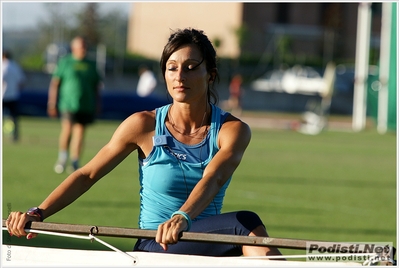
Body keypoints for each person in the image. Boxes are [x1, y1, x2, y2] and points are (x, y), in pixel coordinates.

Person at [6, 28, 283, 258]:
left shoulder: (233, 130)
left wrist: (183, 217)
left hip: (208, 244)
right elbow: (87, 174)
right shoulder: (142, 125)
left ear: (210, 74)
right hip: (156, 246)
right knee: (243, 224)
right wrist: (38, 212)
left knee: (247, 235)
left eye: (190, 68)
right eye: (172, 68)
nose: (179, 77)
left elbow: (214, 177)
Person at [47, 36, 102, 174]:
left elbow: (97, 86)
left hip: (86, 104)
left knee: (80, 133)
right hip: (68, 103)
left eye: (85, 46)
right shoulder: (65, 62)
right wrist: (52, 102)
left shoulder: (91, 64)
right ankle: (62, 158)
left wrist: (98, 102)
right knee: (67, 130)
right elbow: (55, 83)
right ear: (73, 48)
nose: (83, 49)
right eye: (81, 46)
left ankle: (75, 161)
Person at [2, 50, 25, 142]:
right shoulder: (15, 67)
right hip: (13, 95)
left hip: (3, 95)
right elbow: (22, 82)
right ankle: (15, 136)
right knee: (14, 117)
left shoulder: (3, 66)